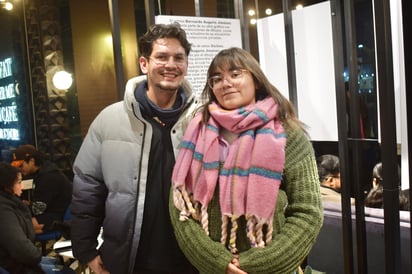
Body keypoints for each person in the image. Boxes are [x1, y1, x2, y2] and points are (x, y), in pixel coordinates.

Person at [170, 47, 323, 274]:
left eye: (235, 74)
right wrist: (217, 262)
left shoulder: (288, 134)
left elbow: (308, 212)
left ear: (256, 80)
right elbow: (179, 206)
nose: (226, 83)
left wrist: (258, 264)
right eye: (217, 78)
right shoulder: (197, 132)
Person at [70, 23, 200, 274]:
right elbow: (87, 188)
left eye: (178, 58)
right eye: (161, 57)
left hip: (194, 260)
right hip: (130, 261)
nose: (171, 65)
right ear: (144, 63)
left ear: (186, 65)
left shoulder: (202, 121)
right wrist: (87, 251)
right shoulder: (110, 120)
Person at [0, 162, 75, 274]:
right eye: (19, 182)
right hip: (14, 265)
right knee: (67, 272)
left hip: (15, 260)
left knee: (58, 264)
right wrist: (36, 255)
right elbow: (20, 248)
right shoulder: (4, 211)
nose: (22, 186)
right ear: (7, 185)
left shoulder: (9, 204)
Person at [10, 144, 72, 235]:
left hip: (58, 217)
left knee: (19, 226)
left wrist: (22, 206)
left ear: (31, 161)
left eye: (21, 165)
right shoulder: (42, 172)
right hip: (49, 210)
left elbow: (37, 210)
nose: (20, 169)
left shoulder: (48, 177)